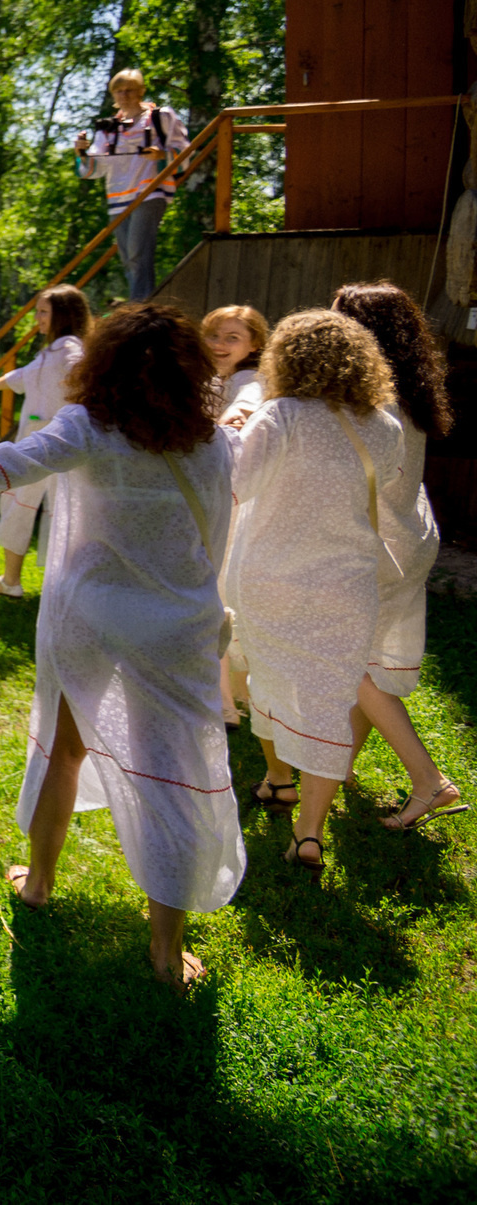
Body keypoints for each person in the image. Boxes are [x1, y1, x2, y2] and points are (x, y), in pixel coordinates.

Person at [0, 302, 241, 989]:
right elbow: (215, 541)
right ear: (191, 368)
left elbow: (9, 461)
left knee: (65, 748)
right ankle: (166, 952)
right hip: (177, 624)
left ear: (104, 361)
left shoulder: (89, 426)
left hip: (94, 616)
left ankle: (39, 883)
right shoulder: (211, 444)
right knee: (170, 774)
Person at [226, 309, 418, 874]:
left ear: (284, 358)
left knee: (265, 679)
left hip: (270, 575)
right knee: (331, 701)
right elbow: (389, 485)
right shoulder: (384, 425)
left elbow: (235, 486)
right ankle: (309, 833)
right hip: (349, 582)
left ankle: (278, 777)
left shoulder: (280, 414)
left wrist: (229, 435)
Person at [329, 282, 461, 827]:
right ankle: (340, 767)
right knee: (370, 663)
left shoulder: (368, 398)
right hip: (410, 535)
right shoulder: (409, 388)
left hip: (378, 545)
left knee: (348, 663)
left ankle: (430, 782)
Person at [0, 286, 91, 597]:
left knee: (54, 509)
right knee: (20, 504)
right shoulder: (52, 349)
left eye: (43, 312)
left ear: (63, 315)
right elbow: (21, 377)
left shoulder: (69, 347)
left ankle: (55, 586)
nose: (37, 317)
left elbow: (82, 374)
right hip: (39, 441)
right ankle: (12, 580)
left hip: (54, 443)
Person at [74, 67, 192, 302]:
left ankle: (140, 306)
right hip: (117, 198)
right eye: (119, 91)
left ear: (141, 91)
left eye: (129, 90)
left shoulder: (161, 117)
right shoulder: (108, 127)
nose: (124, 95)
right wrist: (80, 152)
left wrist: (161, 155)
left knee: (138, 251)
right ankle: (142, 302)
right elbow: (95, 168)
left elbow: (185, 151)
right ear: (113, 95)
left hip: (150, 192)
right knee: (128, 257)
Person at [201, 303, 268, 429]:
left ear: (254, 344)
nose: (218, 344)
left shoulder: (250, 379)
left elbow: (241, 414)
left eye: (232, 337)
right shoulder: (214, 378)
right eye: (213, 335)